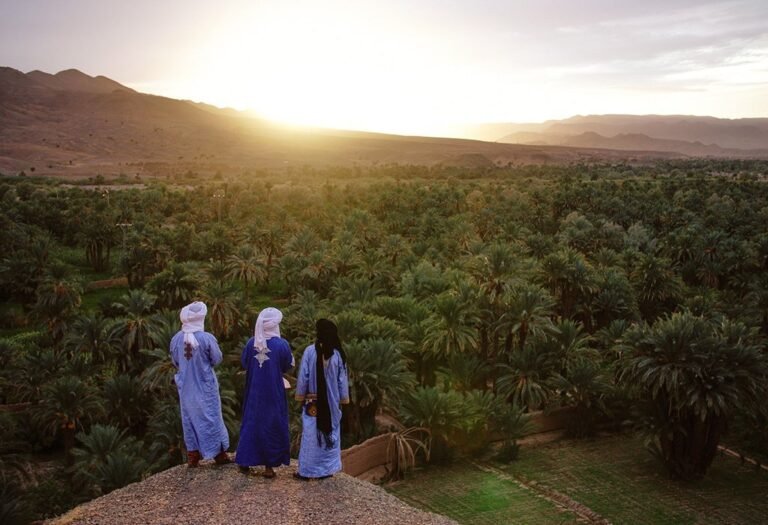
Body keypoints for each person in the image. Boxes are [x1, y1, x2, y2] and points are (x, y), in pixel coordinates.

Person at [170, 301, 230, 467]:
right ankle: (218, 453)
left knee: (189, 418)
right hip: (205, 386)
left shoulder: (176, 339)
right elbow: (217, 358)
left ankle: (193, 454)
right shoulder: (206, 338)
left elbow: (175, 361)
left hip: (186, 386)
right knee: (211, 416)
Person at [235, 307, 294, 478]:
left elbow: (245, 363)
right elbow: (288, 366)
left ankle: (245, 462)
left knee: (252, 422)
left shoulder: (251, 343)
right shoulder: (281, 345)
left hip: (254, 391)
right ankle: (269, 467)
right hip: (274, 392)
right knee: (272, 424)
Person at [295, 318, 349, 480]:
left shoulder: (309, 352)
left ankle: (307, 471)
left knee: (311, 434)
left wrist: (300, 395)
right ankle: (326, 470)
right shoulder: (338, 356)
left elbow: (303, 377)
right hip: (331, 404)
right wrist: (343, 399)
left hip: (313, 403)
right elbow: (342, 381)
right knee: (330, 433)